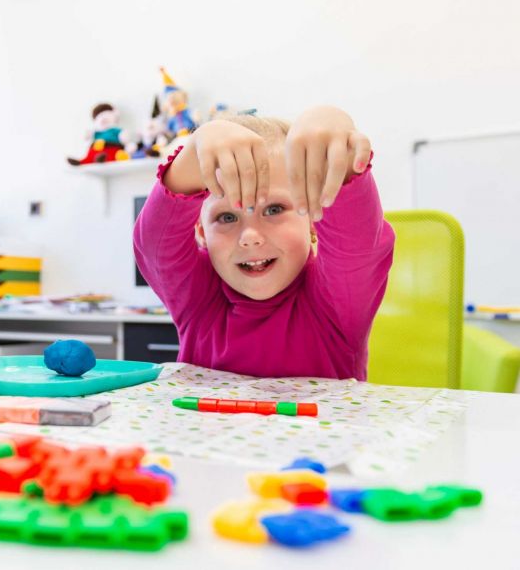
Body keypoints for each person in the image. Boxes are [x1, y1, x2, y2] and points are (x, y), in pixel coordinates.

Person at [133, 106, 394, 379]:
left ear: (313, 221)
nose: (250, 237)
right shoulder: (199, 300)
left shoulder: (337, 303)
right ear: (201, 232)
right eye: (226, 217)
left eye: (273, 210)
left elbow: (356, 245)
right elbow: (154, 246)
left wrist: (335, 146)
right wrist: (193, 153)